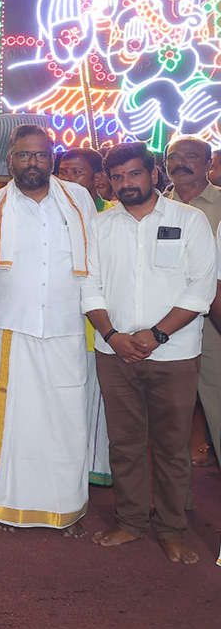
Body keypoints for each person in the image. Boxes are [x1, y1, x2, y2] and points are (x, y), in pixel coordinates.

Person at [83, 142, 215, 565]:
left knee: (172, 447)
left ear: (154, 174)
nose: (126, 184)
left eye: (134, 174)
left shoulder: (190, 221)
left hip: (174, 354)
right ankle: (131, 521)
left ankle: (172, 529)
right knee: (124, 444)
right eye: (118, 177)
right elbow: (89, 286)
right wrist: (112, 334)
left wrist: (156, 335)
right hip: (115, 352)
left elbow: (201, 288)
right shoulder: (100, 226)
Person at [0, 126, 96, 534]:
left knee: (67, 419)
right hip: (12, 328)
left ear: (52, 157)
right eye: (24, 155)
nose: (32, 163)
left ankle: (67, 507)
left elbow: (96, 262)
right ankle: (8, 504)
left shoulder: (78, 200)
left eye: (40, 155)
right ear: (10, 159)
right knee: (14, 421)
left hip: (66, 328)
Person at [163, 137, 221, 473]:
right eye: (174, 157)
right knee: (170, 418)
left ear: (208, 162)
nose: (181, 163)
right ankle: (176, 504)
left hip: (213, 323)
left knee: (217, 406)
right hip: (168, 327)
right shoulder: (154, 206)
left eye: (191, 157)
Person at [57, 146, 112, 485]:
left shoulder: (111, 216)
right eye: (62, 171)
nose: (65, 179)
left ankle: (97, 469)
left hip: (103, 326)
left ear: (99, 180)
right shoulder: (54, 212)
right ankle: (68, 469)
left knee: (99, 405)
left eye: (75, 172)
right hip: (63, 323)